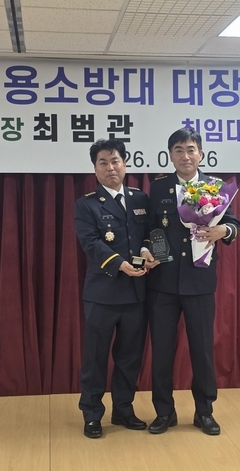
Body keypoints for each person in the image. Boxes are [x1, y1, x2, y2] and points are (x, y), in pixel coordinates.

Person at [145, 127, 240, 435]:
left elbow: (234, 224)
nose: (185, 156)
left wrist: (222, 231)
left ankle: (204, 412)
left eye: (190, 150)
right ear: (170, 156)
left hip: (199, 281)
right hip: (163, 282)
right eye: (178, 150)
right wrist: (151, 251)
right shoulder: (159, 187)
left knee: (202, 350)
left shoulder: (216, 187)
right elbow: (152, 228)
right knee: (162, 351)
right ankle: (164, 412)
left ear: (201, 154)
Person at [74, 138, 158, 438]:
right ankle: (92, 414)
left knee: (130, 357)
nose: (110, 167)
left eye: (115, 161)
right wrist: (120, 264)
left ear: (125, 163)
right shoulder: (86, 204)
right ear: (95, 168)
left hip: (136, 293)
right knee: (95, 358)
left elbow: (148, 234)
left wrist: (147, 250)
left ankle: (123, 409)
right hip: (103, 293)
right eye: (103, 162)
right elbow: (91, 243)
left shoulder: (139, 198)